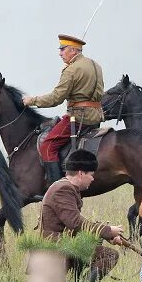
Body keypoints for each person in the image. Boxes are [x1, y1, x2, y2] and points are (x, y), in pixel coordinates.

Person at [22, 34, 105, 189]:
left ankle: (58, 189)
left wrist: (31, 100)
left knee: (47, 145)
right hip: (96, 116)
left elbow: (56, 98)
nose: (60, 53)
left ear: (73, 51)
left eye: (62, 49)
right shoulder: (95, 65)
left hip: (79, 117)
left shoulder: (71, 70)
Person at [38, 149, 127, 282]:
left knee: (99, 247)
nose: (93, 178)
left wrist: (108, 236)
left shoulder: (64, 186)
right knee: (110, 255)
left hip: (66, 244)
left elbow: (74, 225)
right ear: (80, 173)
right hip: (56, 247)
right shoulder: (64, 189)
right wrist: (108, 231)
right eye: (91, 174)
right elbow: (75, 223)